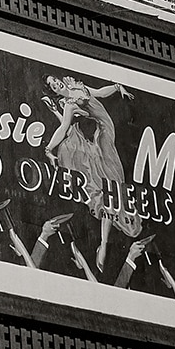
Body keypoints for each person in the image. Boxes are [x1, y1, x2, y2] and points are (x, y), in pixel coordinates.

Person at [41, 74, 141, 274]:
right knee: (110, 188)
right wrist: (49, 149)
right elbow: (64, 128)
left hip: (106, 129)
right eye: (53, 85)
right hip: (99, 137)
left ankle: (104, 243)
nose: (57, 83)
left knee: (114, 182)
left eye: (55, 80)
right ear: (54, 91)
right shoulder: (69, 105)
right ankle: (103, 244)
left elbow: (99, 93)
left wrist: (117, 87)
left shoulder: (77, 86)